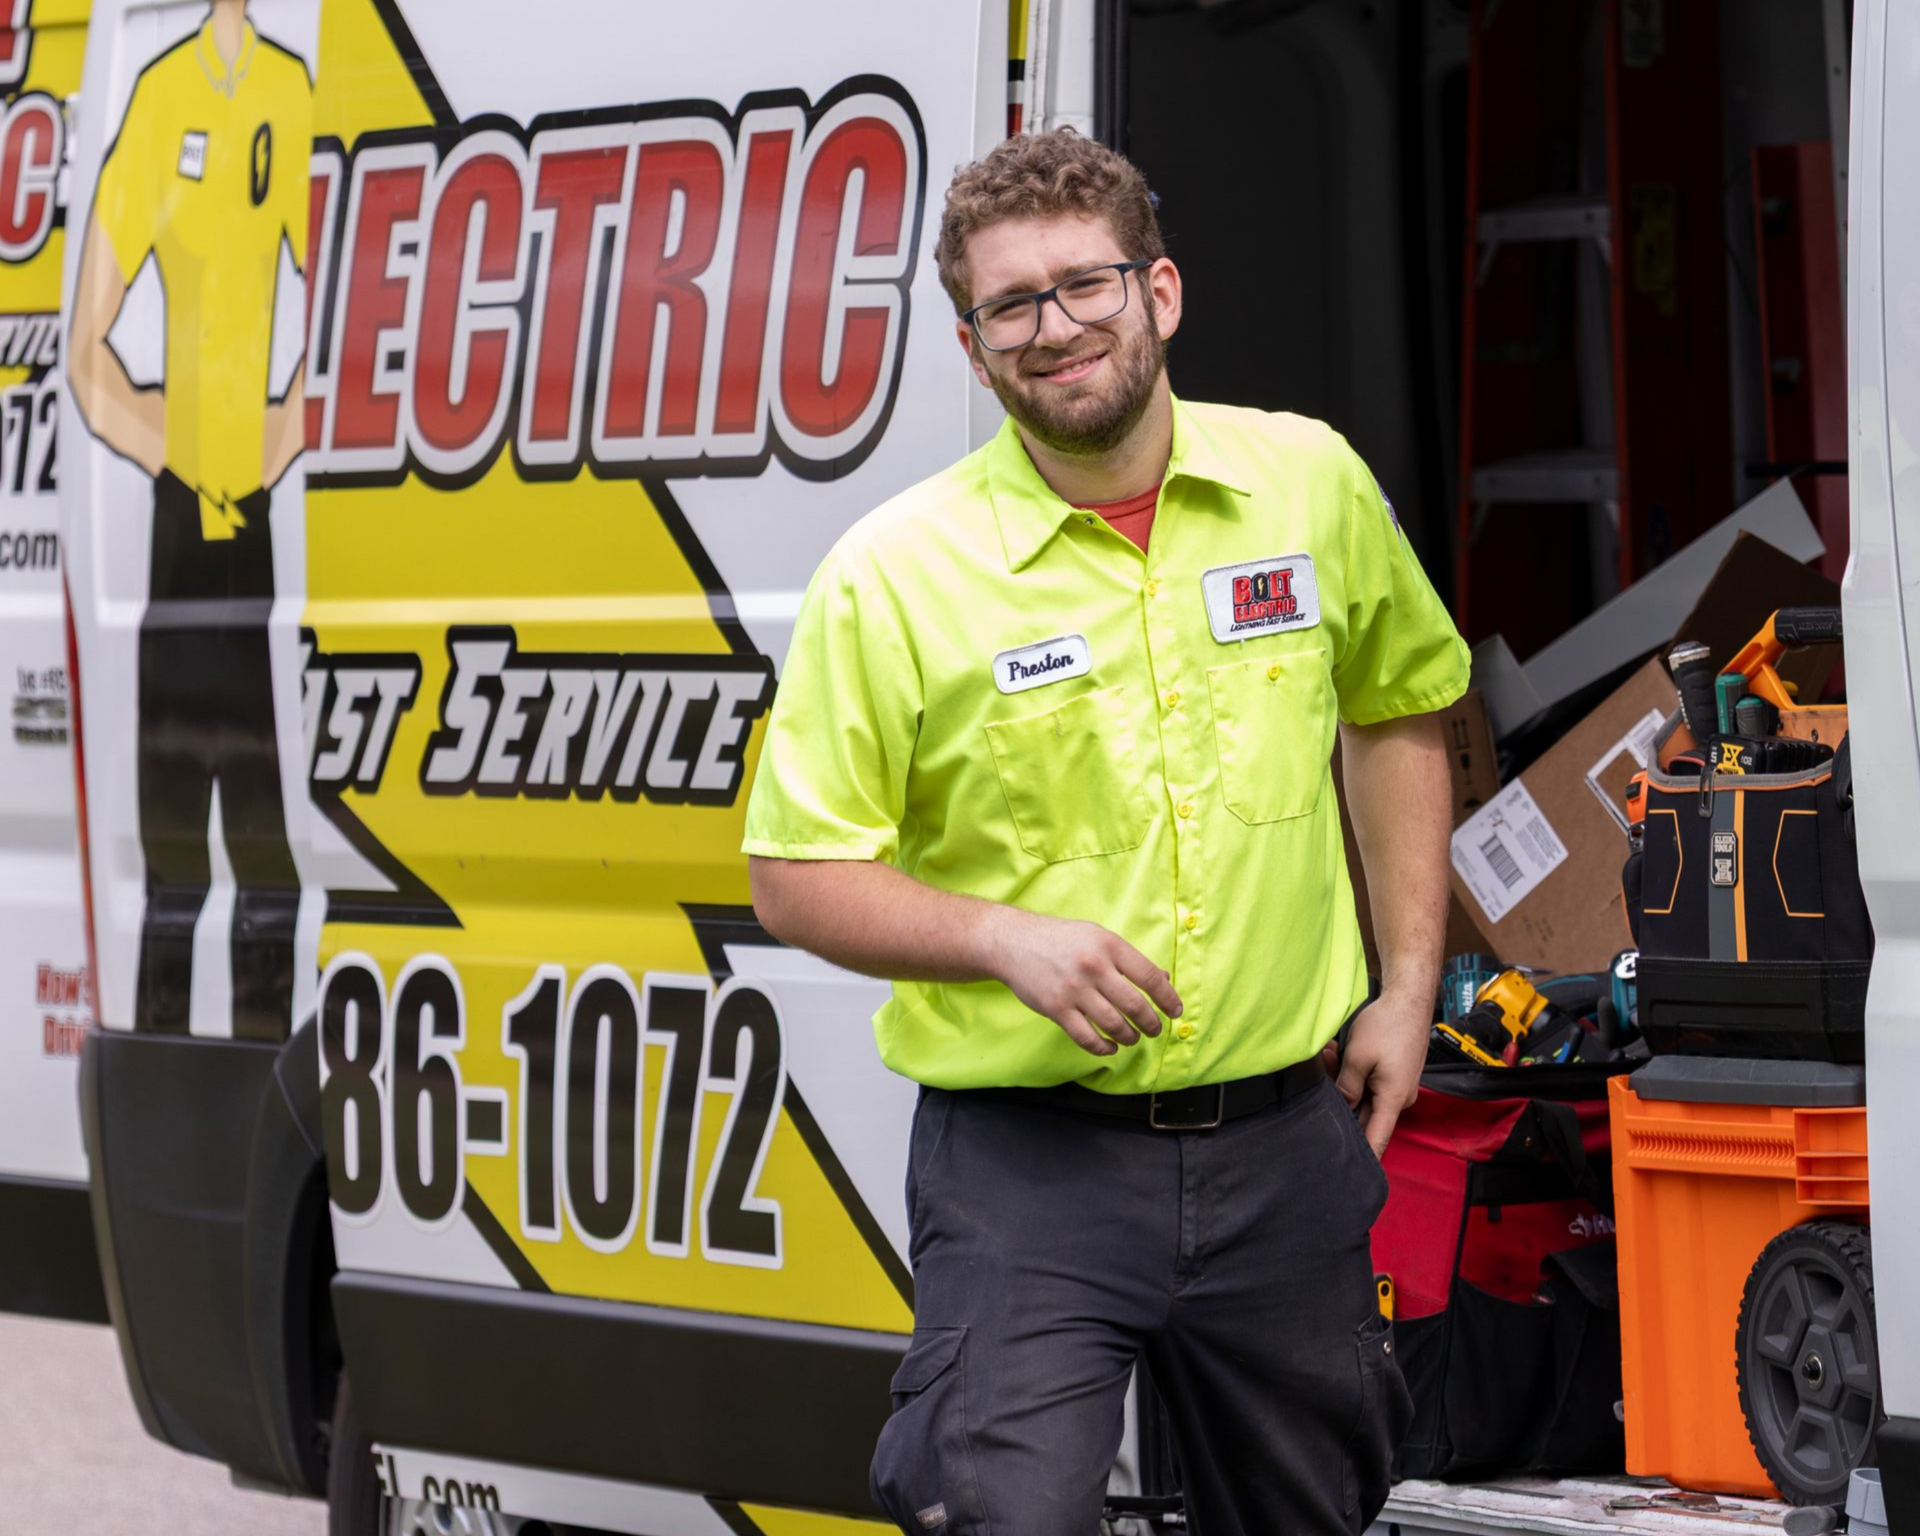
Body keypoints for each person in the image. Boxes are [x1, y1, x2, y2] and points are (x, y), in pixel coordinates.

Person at [743, 129, 1467, 1535]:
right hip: (1031, 1174)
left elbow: (1398, 710)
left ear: (1162, 294)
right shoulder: (894, 579)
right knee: (999, 1510)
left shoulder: (1307, 485)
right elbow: (794, 874)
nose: (1055, 326)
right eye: (1011, 305)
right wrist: (999, 939)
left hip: (1284, 1141)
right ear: (974, 348)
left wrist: (1409, 982)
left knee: (1315, 1514)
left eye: (1085, 284)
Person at [68, 0, 311, 1040]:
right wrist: (176, 450)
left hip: (254, 529)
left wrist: (279, 437)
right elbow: (87, 350)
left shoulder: (292, 94)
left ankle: (264, 1075)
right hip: (170, 529)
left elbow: (354, 308)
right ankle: (160, 1067)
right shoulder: (159, 94)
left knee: (267, 857)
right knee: (168, 862)